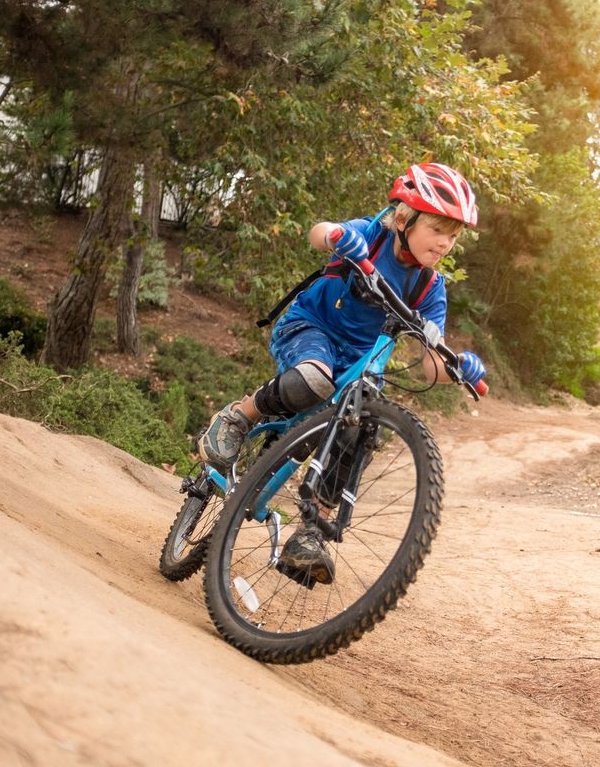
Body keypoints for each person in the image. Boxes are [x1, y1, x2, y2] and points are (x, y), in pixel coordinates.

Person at [197, 162, 488, 584]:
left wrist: (458, 367)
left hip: (363, 363)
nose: (446, 243)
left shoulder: (430, 287)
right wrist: (338, 236)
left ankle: (312, 533)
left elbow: (431, 364)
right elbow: (320, 232)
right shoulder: (373, 235)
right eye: (438, 229)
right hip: (311, 329)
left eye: (454, 235)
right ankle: (240, 415)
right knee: (313, 380)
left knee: (360, 427)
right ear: (404, 218)